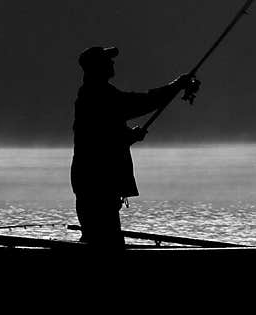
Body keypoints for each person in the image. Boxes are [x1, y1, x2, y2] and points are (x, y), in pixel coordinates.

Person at [71, 45, 200, 249]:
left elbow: (103, 139)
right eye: (107, 60)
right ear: (97, 67)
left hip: (92, 181)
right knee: (105, 243)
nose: (112, 63)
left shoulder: (93, 94)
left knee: (98, 239)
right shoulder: (99, 95)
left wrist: (129, 136)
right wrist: (176, 85)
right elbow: (143, 102)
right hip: (97, 183)